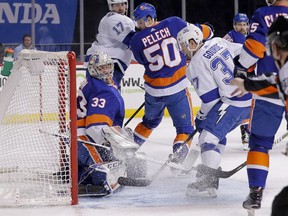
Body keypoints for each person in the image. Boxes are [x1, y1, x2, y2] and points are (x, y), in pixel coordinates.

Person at [129, 3, 214, 169]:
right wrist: (209, 29)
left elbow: (141, 60)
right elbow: (197, 33)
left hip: (153, 91)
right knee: (185, 129)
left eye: (139, 22)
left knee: (148, 123)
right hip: (177, 88)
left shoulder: (136, 40)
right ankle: (178, 159)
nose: (138, 26)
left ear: (148, 19)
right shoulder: (173, 23)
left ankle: (127, 152)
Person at [176, 24, 251, 197]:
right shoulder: (219, 41)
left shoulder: (194, 65)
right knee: (215, 132)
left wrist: (201, 116)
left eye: (182, 45)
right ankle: (210, 171)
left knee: (207, 137)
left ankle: (208, 181)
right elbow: (243, 51)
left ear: (191, 42)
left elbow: (211, 100)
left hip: (235, 102)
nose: (182, 50)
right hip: (251, 96)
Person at [232, 0, 288, 211]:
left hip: (269, 93)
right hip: (275, 84)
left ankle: (256, 192)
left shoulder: (264, 14)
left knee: (260, 143)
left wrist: (241, 70)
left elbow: (254, 48)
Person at [77, 50, 129, 196]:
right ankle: (89, 184)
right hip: (85, 139)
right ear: (93, 69)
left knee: (86, 171)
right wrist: (110, 145)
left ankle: (82, 179)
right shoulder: (102, 90)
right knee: (103, 172)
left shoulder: (94, 84)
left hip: (79, 137)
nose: (106, 70)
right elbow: (95, 127)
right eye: (102, 68)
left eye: (107, 66)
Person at [84, 0, 136, 89]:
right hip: (106, 62)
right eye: (116, 5)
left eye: (122, 4)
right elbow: (132, 41)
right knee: (109, 94)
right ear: (110, 6)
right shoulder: (113, 19)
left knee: (98, 94)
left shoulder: (113, 19)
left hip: (100, 61)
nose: (120, 8)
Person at [223, 13, 250, 150]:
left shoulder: (240, 35)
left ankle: (247, 134)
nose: (242, 27)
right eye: (239, 24)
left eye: (244, 24)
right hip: (235, 76)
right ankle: (246, 135)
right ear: (234, 25)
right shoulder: (234, 36)